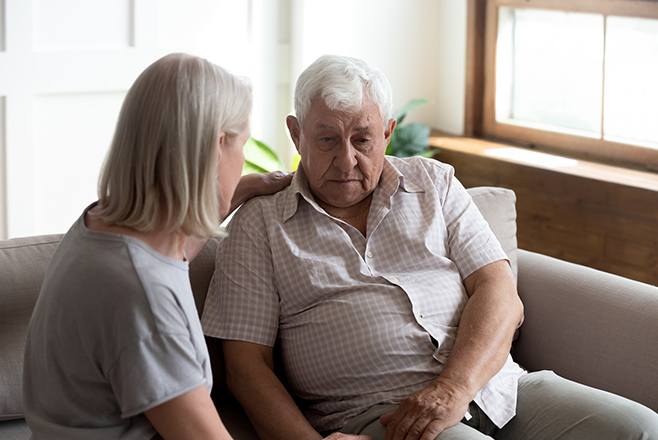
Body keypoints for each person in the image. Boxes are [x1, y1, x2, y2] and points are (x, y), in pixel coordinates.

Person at [201, 53, 658, 440]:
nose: (346, 159)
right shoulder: (261, 222)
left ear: (387, 133)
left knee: (637, 428)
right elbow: (246, 366)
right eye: (326, 139)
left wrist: (454, 390)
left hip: (497, 388)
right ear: (297, 134)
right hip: (382, 416)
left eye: (362, 138)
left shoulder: (434, 182)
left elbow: (499, 291)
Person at [22, 53, 291, 440]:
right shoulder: (142, 299)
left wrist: (243, 189)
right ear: (217, 148)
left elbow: (172, 257)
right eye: (242, 146)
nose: (244, 161)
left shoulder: (102, 222)